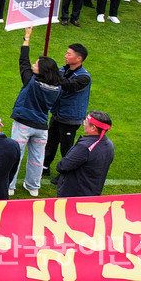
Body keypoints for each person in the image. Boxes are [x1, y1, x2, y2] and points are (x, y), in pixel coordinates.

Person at [9, 31, 63, 196]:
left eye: (36, 64)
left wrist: (27, 38)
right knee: (37, 158)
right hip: (41, 127)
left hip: (23, 124)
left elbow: (23, 62)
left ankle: (10, 186)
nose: (33, 64)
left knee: (15, 156)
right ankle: (33, 187)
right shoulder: (57, 87)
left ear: (41, 71)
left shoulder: (31, 81)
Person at [44, 43, 92, 185]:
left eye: (69, 54)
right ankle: (45, 166)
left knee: (67, 148)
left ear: (79, 59)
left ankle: (66, 173)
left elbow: (69, 86)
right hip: (58, 114)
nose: (65, 56)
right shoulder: (62, 70)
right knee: (50, 142)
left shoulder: (84, 77)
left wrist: (51, 73)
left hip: (71, 118)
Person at [56, 112, 115, 197]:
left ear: (93, 128)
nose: (84, 124)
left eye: (86, 122)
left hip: (74, 194)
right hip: (93, 192)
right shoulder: (109, 144)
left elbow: (63, 166)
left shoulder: (84, 147)